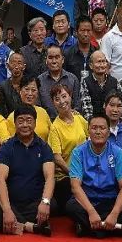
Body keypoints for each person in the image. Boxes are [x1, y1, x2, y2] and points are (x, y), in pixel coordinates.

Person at [66, 115, 122, 238]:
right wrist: (91, 212)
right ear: (88, 130)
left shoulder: (117, 152)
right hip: (87, 202)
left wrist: (114, 214)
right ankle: (117, 229)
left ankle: (88, 228)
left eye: (102, 128)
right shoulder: (78, 152)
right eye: (94, 128)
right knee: (70, 207)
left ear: (108, 131)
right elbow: (75, 186)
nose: (98, 132)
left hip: (110, 201)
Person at [0, 105, 56, 236]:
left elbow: (50, 177)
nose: (25, 125)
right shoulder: (6, 148)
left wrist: (45, 202)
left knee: (53, 203)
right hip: (12, 202)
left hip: (35, 203)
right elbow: (0, 179)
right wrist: (7, 209)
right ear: (15, 123)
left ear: (35, 122)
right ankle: (30, 225)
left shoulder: (44, 147)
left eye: (29, 120)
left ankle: (15, 222)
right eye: (20, 121)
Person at [46, 83, 88, 213]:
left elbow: (91, 140)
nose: (62, 101)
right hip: (65, 177)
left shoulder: (80, 119)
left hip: (85, 171)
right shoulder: (55, 127)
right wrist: (74, 174)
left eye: (64, 96)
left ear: (70, 97)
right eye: (57, 99)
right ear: (53, 103)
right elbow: (57, 158)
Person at [0, 78, 51, 143]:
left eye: (33, 90)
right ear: (20, 91)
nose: (30, 93)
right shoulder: (12, 117)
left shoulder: (43, 112)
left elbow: (51, 136)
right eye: (26, 89)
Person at [37, 45, 79, 117]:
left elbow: (77, 105)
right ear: (46, 60)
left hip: (69, 122)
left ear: (62, 60)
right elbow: (38, 107)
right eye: (50, 58)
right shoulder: (39, 80)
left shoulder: (73, 79)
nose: (54, 61)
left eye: (57, 57)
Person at [79, 50, 120, 121]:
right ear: (91, 66)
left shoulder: (114, 81)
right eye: (98, 62)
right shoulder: (85, 82)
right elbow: (86, 110)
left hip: (113, 122)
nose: (101, 65)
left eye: (104, 61)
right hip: (94, 124)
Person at [63, 16, 98, 80]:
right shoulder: (67, 54)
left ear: (92, 32)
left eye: (88, 30)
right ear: (76, 32)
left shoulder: (97, 53)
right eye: (82, 30)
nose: (85, 34)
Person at [19, 17, 49, 82]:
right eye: (36, 30)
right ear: (30, 34)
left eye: (42, 30)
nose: (39, 33)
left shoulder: (51, 51)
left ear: (46, 32)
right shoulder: (22, 52)